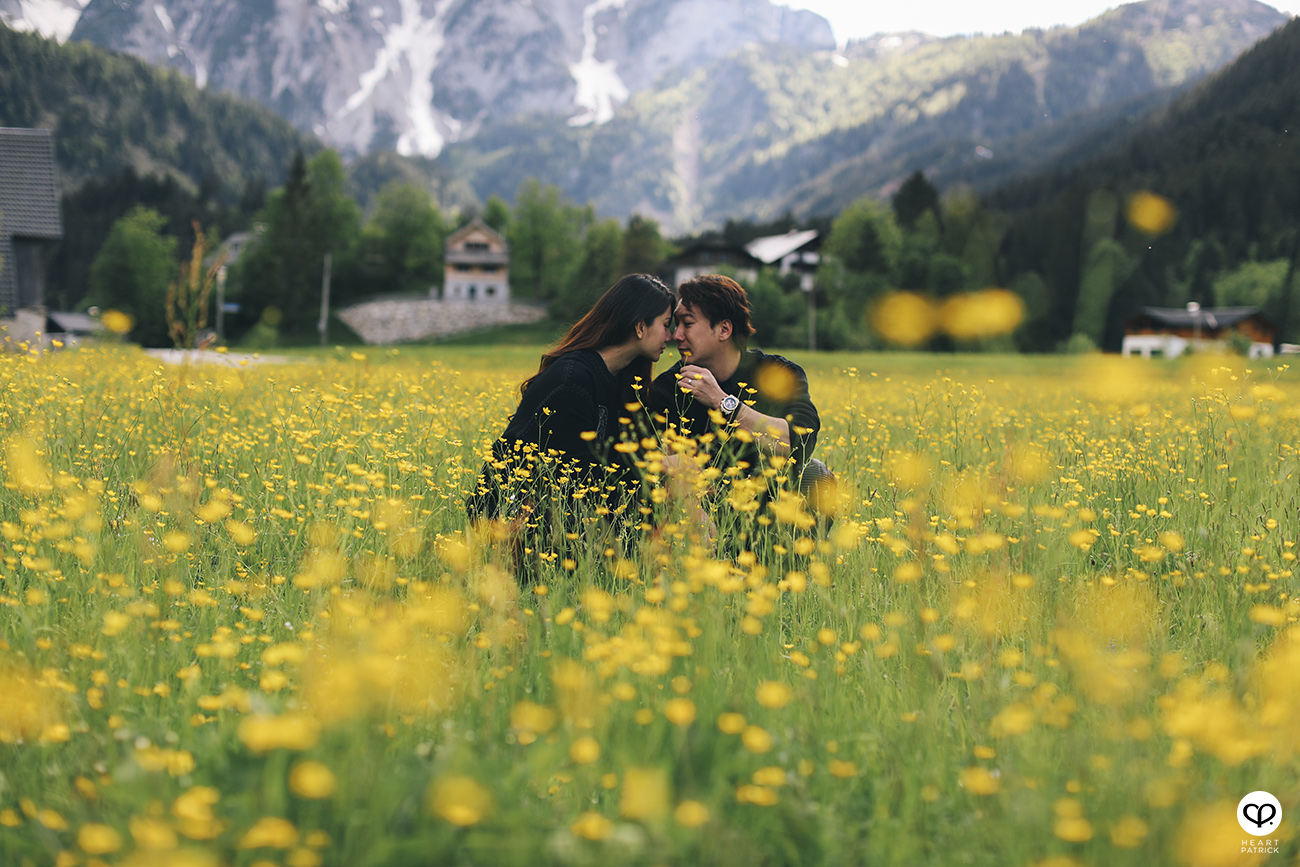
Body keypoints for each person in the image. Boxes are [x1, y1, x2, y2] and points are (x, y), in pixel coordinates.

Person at [466, 273, 675, 578]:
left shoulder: (620, 380)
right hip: (512, 522)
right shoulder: (573, 381)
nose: (670, 336)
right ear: (640, 327)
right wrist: (664, 465)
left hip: (567, 516)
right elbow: (583, 476)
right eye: (666, 324)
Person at [648, 274, 826, 535]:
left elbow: (799, 443)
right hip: (698, 515)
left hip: (764, 509)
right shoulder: (667, 389)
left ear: (724, 330)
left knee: (816, 475)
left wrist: (723, 403)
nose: (676, 335)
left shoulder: (777, 375)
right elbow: (647, 463)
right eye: (675, 325)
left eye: (687, 323)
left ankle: (788, 568)